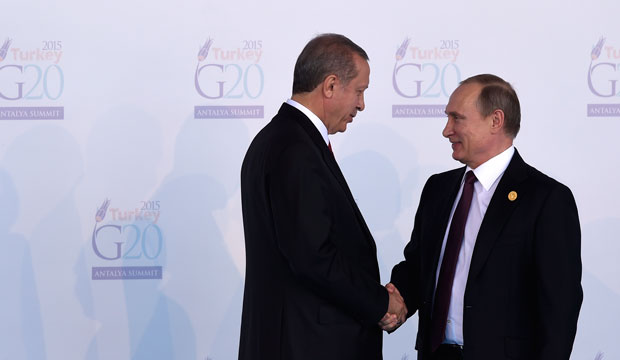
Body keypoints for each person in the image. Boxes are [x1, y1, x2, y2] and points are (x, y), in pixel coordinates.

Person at [389, 74, 582, 360]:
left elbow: (559, 308)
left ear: (496, 120)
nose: (446, 130)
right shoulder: (438, 189)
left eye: (457, 118)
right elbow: (419, 269)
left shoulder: (547, 199)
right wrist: (390, 302)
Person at [238, 33, 406, 360]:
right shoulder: (295, 148)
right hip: (306, 345)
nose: (361, 104)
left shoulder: (279, 139)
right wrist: (380, 302)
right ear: (330, 86)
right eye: (359, 91)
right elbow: (313, 256)